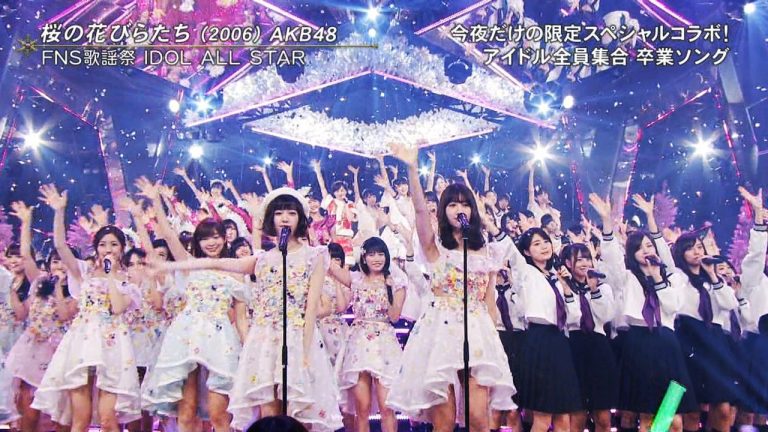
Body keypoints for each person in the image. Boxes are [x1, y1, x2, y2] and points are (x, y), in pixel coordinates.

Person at [386, 143, 516, 432]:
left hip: (477, 327)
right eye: (453, 204)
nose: (460, 209)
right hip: (440, 329)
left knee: (479, 417)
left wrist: (494, 338)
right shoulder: (435, 247)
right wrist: (412, 168)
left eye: (465, 204)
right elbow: (420, 211)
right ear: (444, 211)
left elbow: (490, 300)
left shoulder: (487, 251)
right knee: (443, 421)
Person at [32, 184, 142, 432]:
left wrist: (111, 274)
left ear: (122, 248)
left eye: (114, 244)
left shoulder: (130, 280)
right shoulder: (83, 271)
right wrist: (59, 211)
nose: (108, 249)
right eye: (103, 245)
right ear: (96, 248)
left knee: (108, 421)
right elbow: (61, 246)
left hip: (113, 344)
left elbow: (117, 308)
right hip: (82, 341)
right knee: (79, 421)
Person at [327, 237, 407, 432]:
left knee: (387, 407)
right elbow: (330, 266)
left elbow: (395, 317)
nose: (376, 258)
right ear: (364, 257)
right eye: (371, 254)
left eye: (380, 254)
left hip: (384, 344)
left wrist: (388, 290)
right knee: (361, 409)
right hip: (359, 344)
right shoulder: (355, 279)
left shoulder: (397, 282)